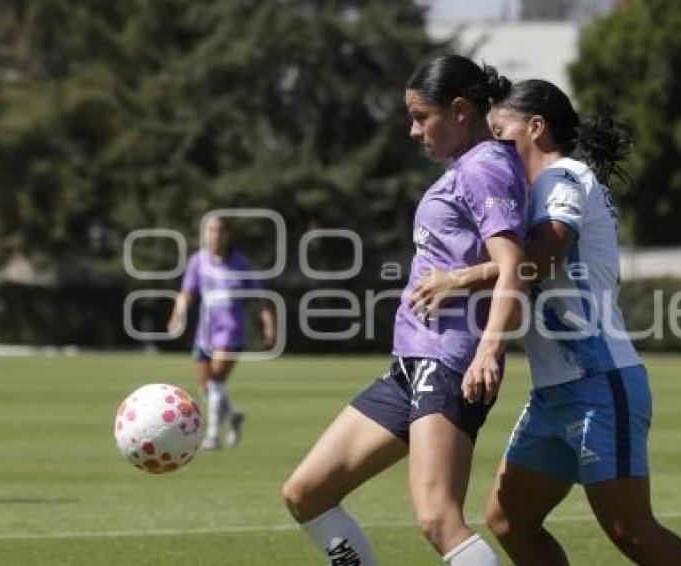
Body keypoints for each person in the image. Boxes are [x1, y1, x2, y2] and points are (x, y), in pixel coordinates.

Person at [409, 79, 681, 565]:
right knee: (509, 520)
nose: (496, 146)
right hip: (554, 394)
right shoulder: (543, 186)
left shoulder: (562, 176)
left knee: (631, 531)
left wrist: (459, 279)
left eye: (501, 134)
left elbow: (545, 257)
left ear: (536, 128)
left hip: (600, 383)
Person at [281, 55, 527, 566]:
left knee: (438, 518)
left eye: (421, 117)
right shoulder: (465, 167)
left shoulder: (483, 166)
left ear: (459, 111)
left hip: (450, 361)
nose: (413, 131)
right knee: (306, 493)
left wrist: (488, 349)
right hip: (412, 364)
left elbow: (515, 266)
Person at [168, 216, 276, 450]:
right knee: (206, 387)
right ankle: (233, 415)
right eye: (210, 230)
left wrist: (269, 324)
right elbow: (186, 293)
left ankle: (213, 436)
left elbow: (259, 297)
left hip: (231, 331)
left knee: (216, 381)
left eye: (219, 231)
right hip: (205, 332)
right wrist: (177, 315)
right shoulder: (197, 261)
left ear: (227, 235)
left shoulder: (240, 263)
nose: (214, 235)